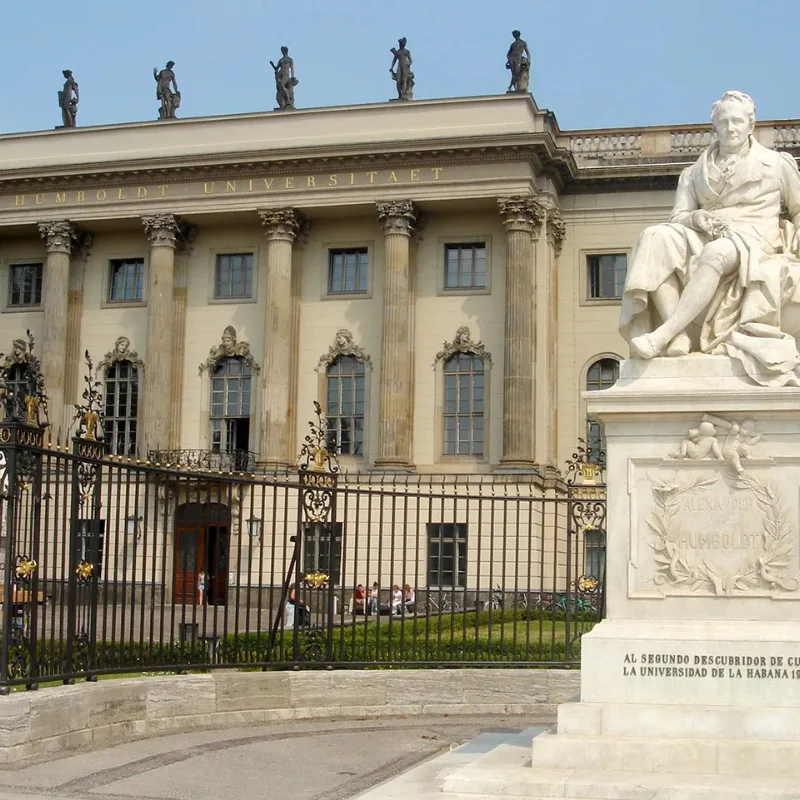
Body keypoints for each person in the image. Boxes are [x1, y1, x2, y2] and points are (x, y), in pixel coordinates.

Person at [620, 90, 800, 387]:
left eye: (737, 121)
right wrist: (696, 218)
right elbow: (679, 215)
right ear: (714, 126)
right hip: (706, 233)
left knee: (717, 252)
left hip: (754, 238)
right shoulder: (694, 172)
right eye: (724, 121)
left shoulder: (776, 163)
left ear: (751, 124)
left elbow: (798, 208)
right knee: (654, 237)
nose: (731, 128)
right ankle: (678, 335)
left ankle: (663, 334)